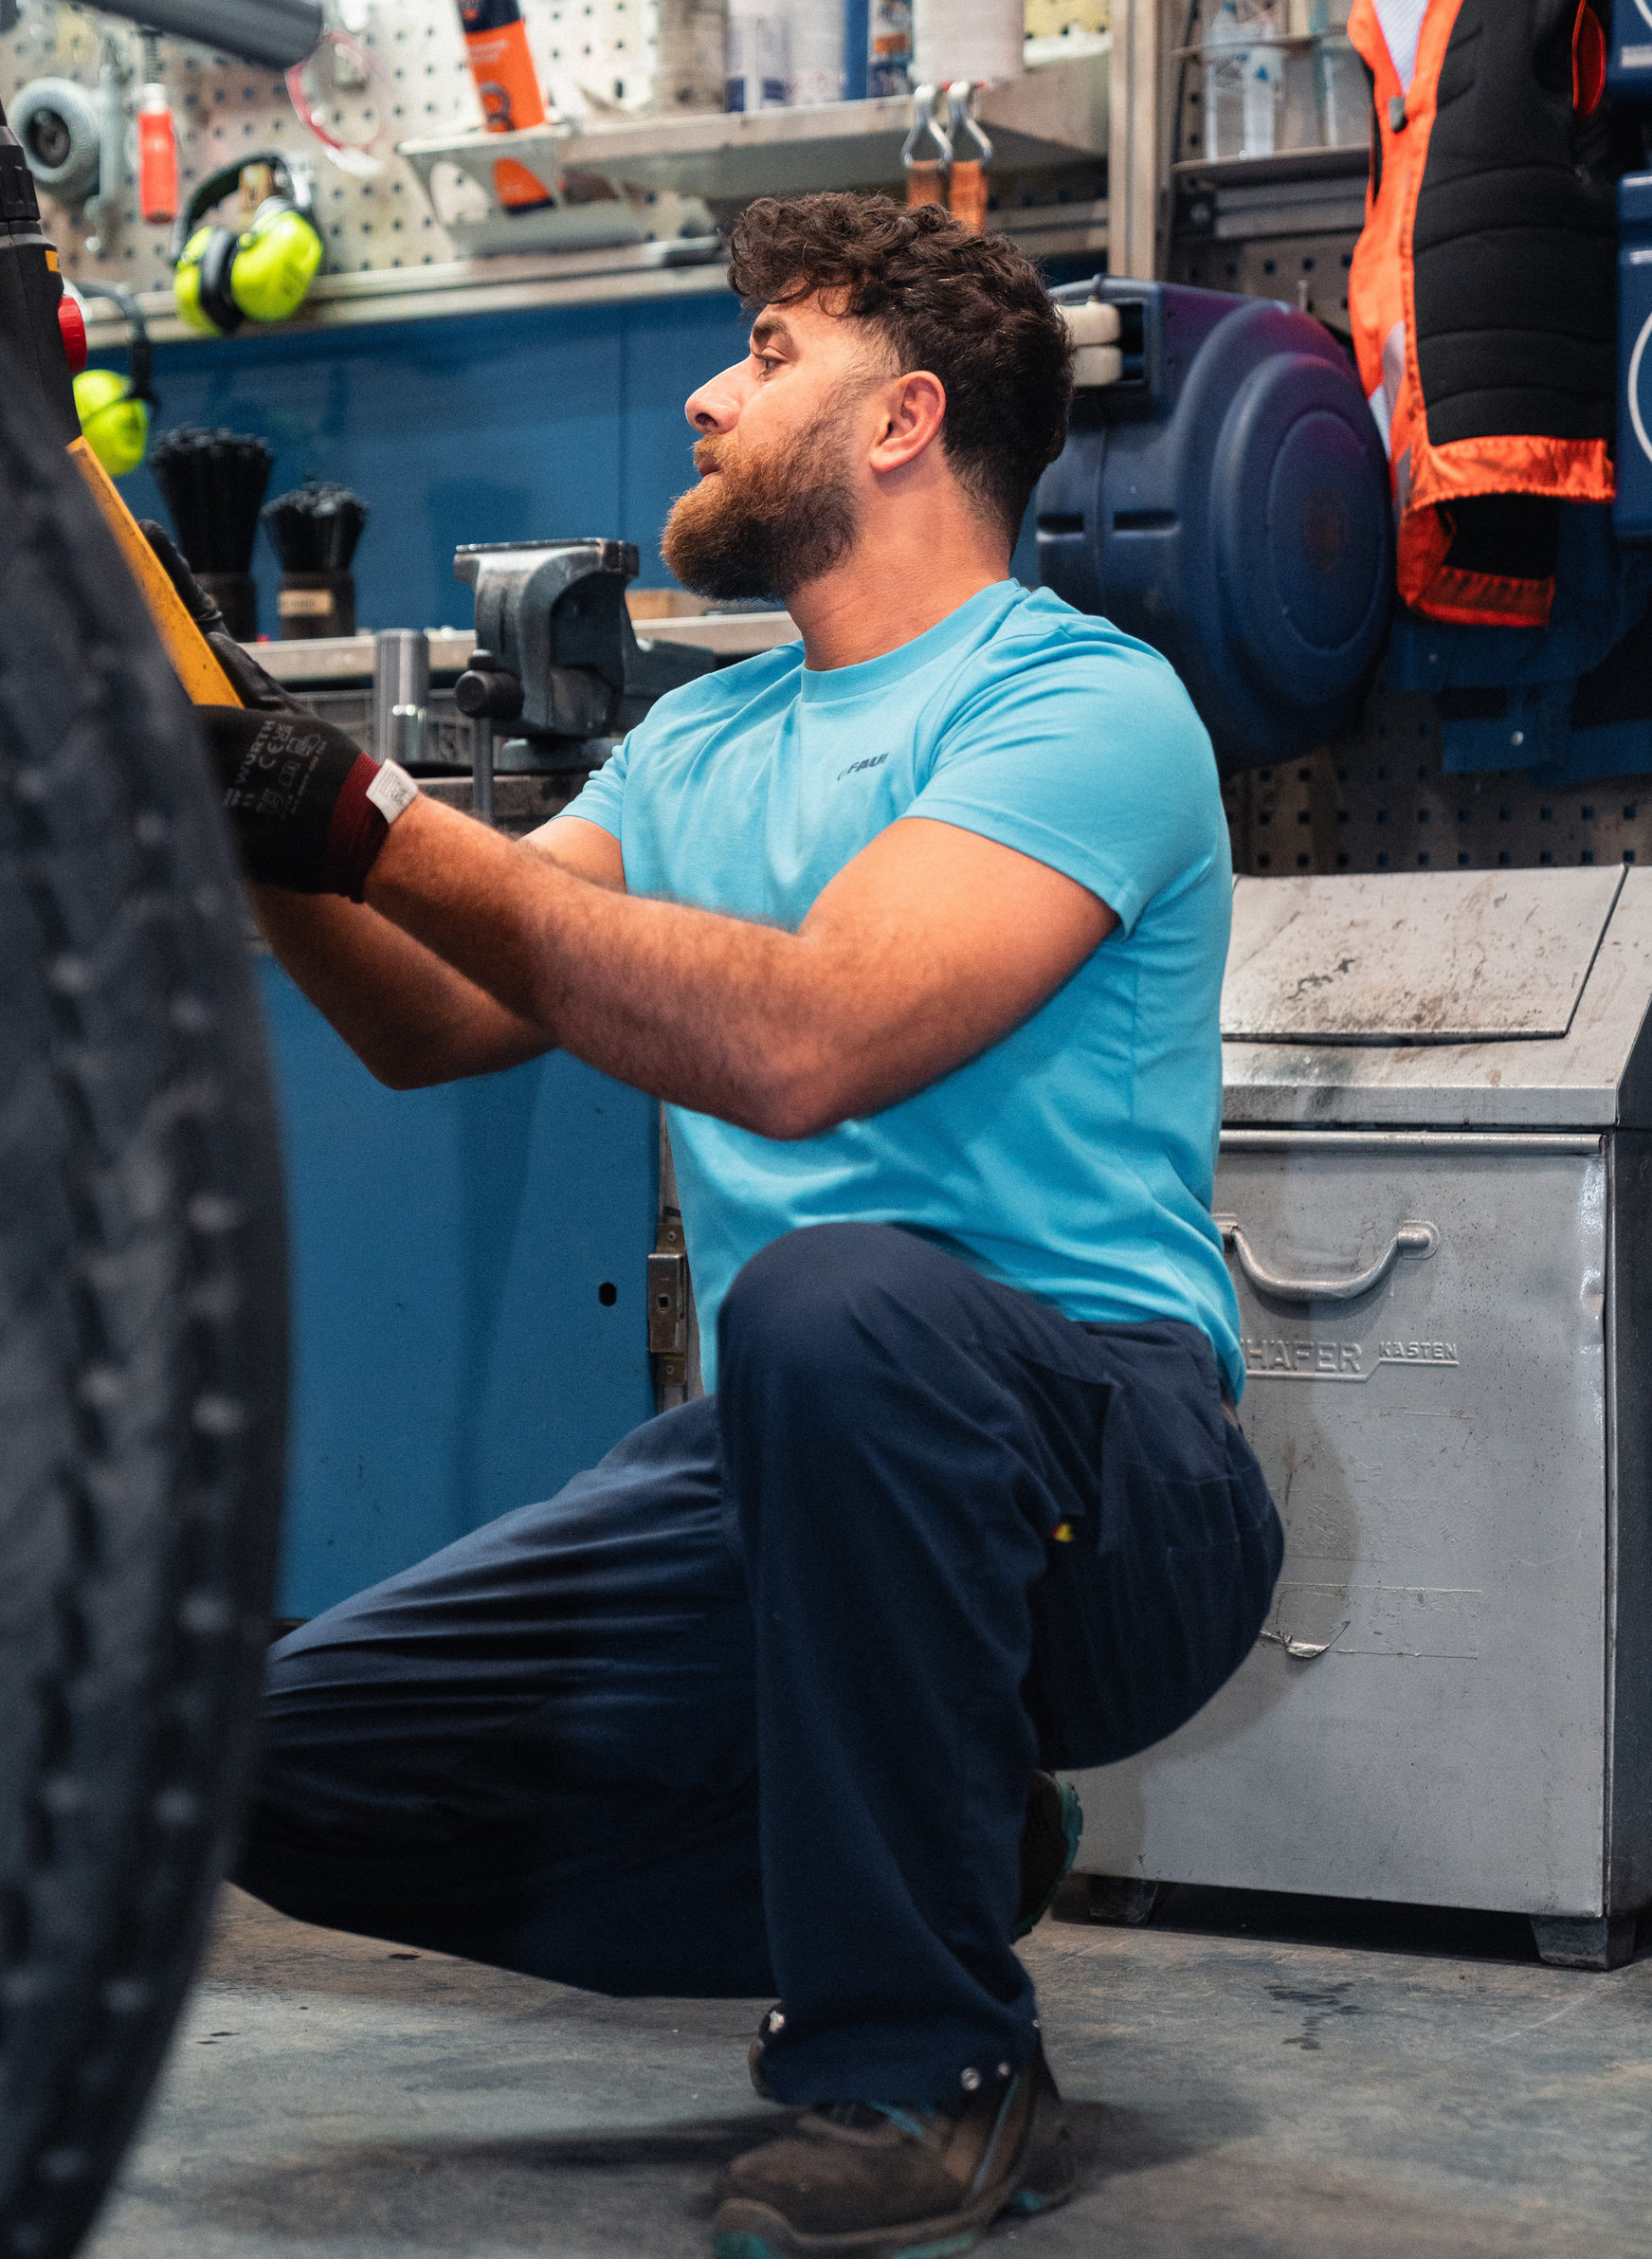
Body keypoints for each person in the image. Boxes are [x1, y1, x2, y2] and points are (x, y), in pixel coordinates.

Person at [172, 192, 1282, 2259]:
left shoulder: (1077, 706)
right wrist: (230, 797)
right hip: (788, 1458)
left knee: (834, 1301)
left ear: (905, 419)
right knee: (262, 1759)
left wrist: (371, 813)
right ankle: (941, 1837)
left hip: (1113, 1485)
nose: (706, 388)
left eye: (769, 350)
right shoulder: (701, 737)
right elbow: (429, 1015)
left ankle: (924, 2058)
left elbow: (811, 1044)